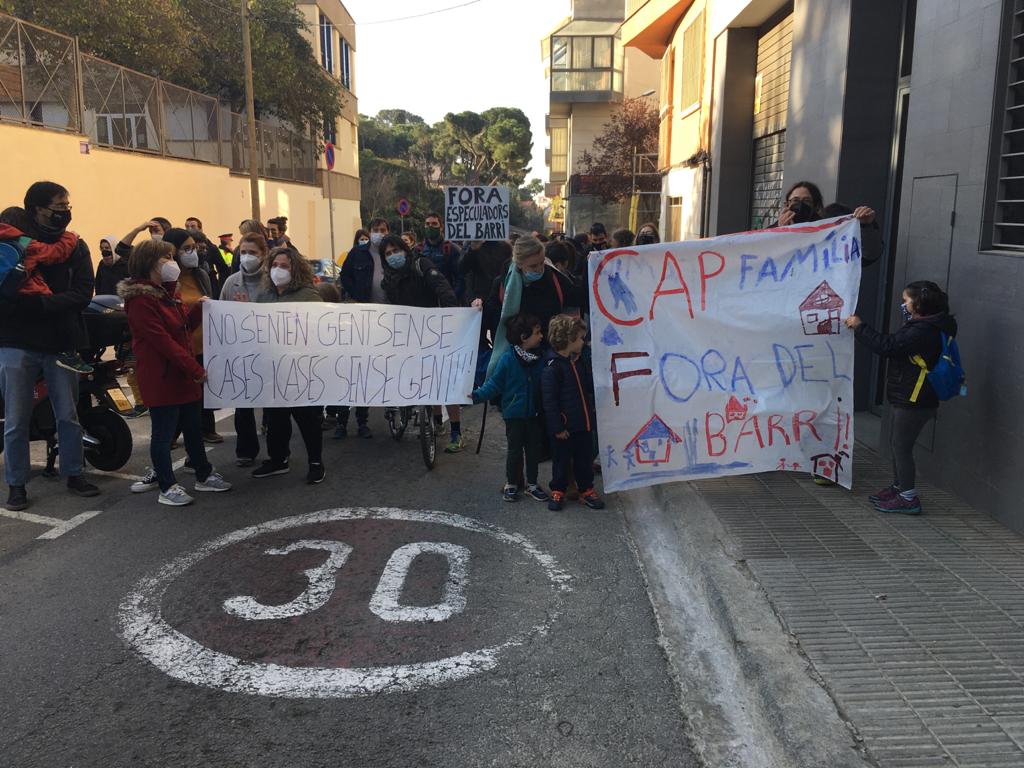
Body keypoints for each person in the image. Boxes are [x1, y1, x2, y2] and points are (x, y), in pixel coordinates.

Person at [0, 182, 101, 510]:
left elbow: (85, 292)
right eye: (58, 207)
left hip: (60, 343)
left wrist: (43, 306)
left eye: (67, 206)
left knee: (68, 415)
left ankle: (74, 473)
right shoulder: (11, 246)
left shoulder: (76, 246)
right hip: (16, 343)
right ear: (36, 209)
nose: (64, 213)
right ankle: (17, 484)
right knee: (16, 421)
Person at [120, 240, 231, 506]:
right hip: (162, 377)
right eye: (166, 258)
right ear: (150, 263)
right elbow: (163, 342)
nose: (173, 262)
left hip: (182, 375)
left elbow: (181, 329)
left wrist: (198, 310)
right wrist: (195, 369)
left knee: (193, 428)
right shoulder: (141, 300)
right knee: (163, 433)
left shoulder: (170, 293)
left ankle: (203, 474)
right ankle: (167, 486)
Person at [845, 281, 958, 515]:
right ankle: (899, 488)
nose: (903, 305)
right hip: (907, 394)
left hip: (915, 398)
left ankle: (908, 497)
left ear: (919, 303)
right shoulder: (926, 325)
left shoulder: (923, 331)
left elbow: (888, 346)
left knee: (901, 446)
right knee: (897, 445)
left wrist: (859, 327)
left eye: (906, 300)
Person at [379, 234, 466, 453]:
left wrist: (451, 316)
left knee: (442, 382)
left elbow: (442, 288)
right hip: (407, 335)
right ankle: (436, 422)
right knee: (426, 382)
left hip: (433, 330)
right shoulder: (387, 279)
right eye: (387, 254)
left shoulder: (421, 264)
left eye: (395, 251)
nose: (392, 256)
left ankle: (456, 431)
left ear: (404, 250)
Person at [252, 247, 326, 484]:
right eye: (274, 265)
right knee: (275, 418)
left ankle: (316, 462)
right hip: (273, 369)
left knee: (307, 418)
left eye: (284, 266)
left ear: (295, 269)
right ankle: (278, 459)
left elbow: (320, 329)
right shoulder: (264, 296)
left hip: (301, 368)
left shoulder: (308, 295)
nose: (278, 270)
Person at [0, 206, 92, 375]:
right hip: (31, 291)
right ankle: (68, 354)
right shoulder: (25, 244)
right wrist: (71, 237)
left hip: (9, 300)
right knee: (58, 312)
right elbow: (54, 253)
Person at [471, 313, 549, 503]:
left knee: (533, 451)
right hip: (513, 415)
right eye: (537, 333)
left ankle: (532, 484)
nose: (541, 336)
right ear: (524, 337)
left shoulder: (541, 360)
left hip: (534, 414)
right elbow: (494, 385)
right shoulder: (508, 360)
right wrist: (477, 395)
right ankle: (511, 483)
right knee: (514, 451)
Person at [484, 235, 586, 380]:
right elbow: (491, 317)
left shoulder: (555, 279)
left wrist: (591, 266)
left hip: (548, 357)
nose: (539, 269)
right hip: (517, 362)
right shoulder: (503, 285)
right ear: (519, 264)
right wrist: (477, 305)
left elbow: (578, 296)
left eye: (542, 263)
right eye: (533, 266)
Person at [161, 228, 222, 444]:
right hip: (182, 348)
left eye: (194, 248)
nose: (192, 253)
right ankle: (172, 435)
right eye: (187, 249)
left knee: (203, 393)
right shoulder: (166, 279)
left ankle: (206, 429)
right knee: (183, 397)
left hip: (205, 345)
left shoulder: (201, 274)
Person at [541, 314, 604, 512]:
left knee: (584, 460)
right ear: (569, 339)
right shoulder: (553, 368)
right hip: (564, 428)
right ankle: (558, 489)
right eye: (580, 338)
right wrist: (557, 428)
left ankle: (586, 489)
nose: (583, 342)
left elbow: (589, 387)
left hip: (583, 425)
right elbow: (549, 402)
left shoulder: (578, 363)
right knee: (560, 460)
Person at [219, 233, 269, 466]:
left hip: (269, 352)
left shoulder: (272, 281)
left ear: (263, 255)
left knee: (274, 405)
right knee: (243, 406)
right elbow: (221, 319)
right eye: (244, 252)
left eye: (253, 252)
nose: (247, 257)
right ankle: (246, 450)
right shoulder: (231, 283)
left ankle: (278, 449)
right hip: (241, 353)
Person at [773, 181, 882, 265]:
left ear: (816, 206)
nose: (800, 205)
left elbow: (868, 256)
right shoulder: (772, 230)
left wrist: (865, 226)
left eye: (807, 201)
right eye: (795, 200)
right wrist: (779, 232)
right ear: (786, 204)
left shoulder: (831, 232)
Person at [339, 217, 389, 306]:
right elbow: (345, 276)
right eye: (375, 230)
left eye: (382, 230)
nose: (379, 233)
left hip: (390, 307)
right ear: (369, 233)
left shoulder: (393, 253)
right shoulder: (356, 252)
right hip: (364, 309)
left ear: (388, 232)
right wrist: (356, 295)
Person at [416, 211, 463, 300]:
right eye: (427, 224)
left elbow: (460, 278)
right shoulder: (418, 250)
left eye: (434, 224)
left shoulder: (452, 249)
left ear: (441, 227)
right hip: (424, 303)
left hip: (445, 301)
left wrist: (452, 298)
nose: (430, 226)